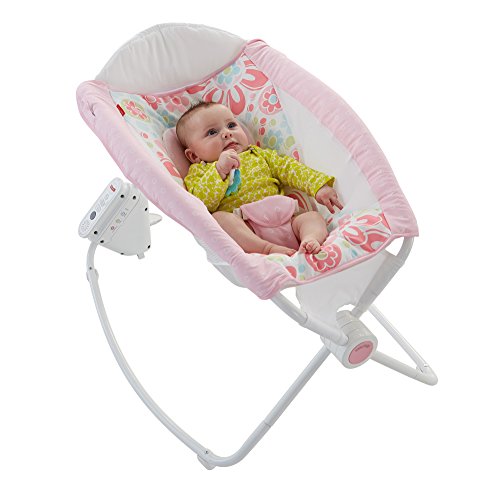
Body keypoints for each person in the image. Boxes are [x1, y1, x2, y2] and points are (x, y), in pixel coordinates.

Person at [176, 102, 343, 256]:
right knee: (220, 219)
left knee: (312, 217)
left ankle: (310, 239)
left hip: (286, 219)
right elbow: (201, 204)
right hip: (247, 228)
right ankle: (266, 249)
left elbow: (290, 169)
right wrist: (219, 171)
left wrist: (318, 186)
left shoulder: (259, 154)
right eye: (212, 132)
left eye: (231, 125)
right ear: (193, 156)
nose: (227, 133)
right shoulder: (200, 172)